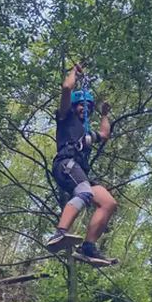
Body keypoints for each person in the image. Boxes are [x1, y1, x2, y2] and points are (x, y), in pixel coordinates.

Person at [45, 63, 118, 264]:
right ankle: (59, 233)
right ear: (74, 106)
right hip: (65, 164)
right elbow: (67, 88)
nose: (84, 109)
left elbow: (104, 135)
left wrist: (104, 115)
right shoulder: (65, 117)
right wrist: (74, 73)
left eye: (88, 108)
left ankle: (88, 247)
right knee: (84, 192)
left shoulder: (85, 134)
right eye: (81, 105)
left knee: (108, 203)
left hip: (79, 171)